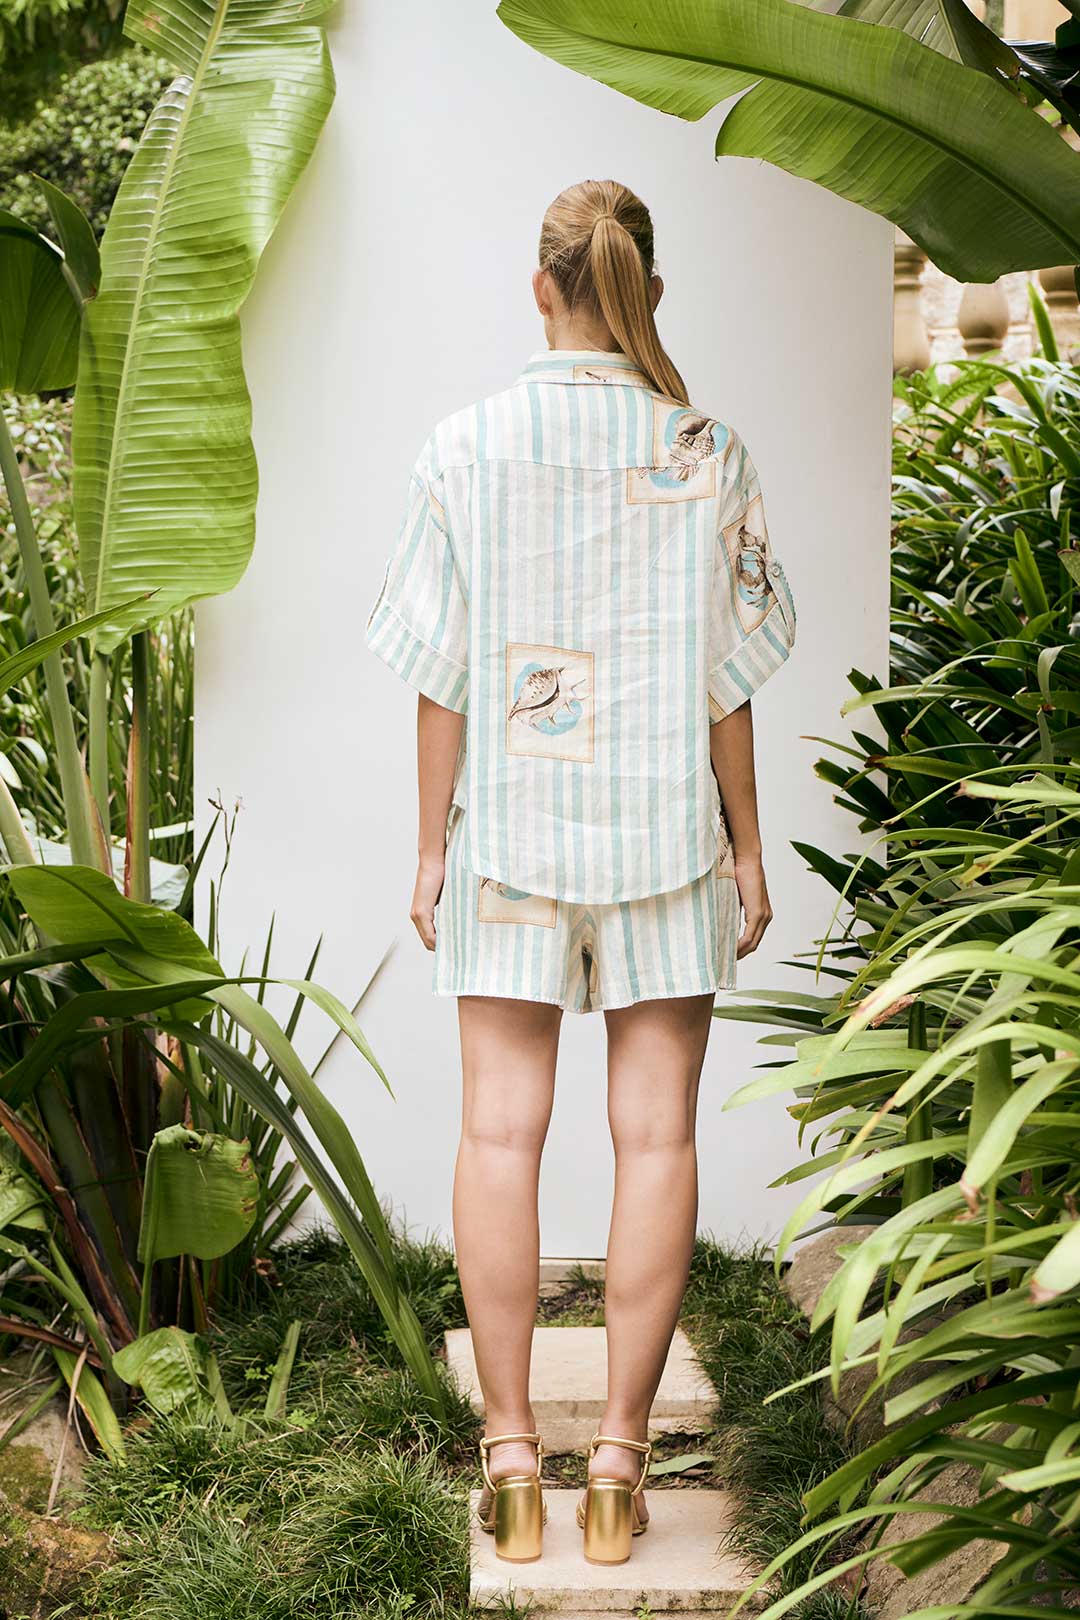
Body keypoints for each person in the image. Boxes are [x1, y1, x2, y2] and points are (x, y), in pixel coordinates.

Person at [365, 178, 796, 1567]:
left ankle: (508, 1464)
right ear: (646, 292)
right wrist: (748, 842)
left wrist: (431, 844)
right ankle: (617, 1467)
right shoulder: (708, 449)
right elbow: (730, 683)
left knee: (500, 1131)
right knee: (656, 1135)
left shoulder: (463, 447)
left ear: (540, 288)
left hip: (512, 837)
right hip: (666, 835)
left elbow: (440, 681)